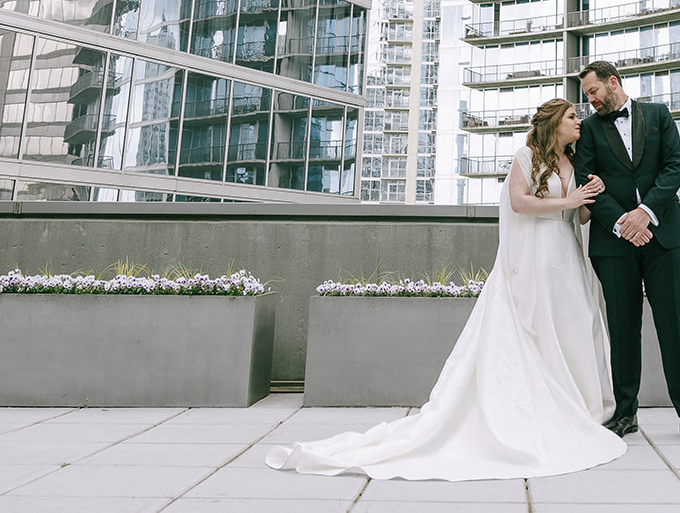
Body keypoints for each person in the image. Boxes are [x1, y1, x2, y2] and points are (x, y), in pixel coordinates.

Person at [266, 99, 627, 480]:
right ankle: (537, 409)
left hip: (565, 255)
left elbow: (579, 214)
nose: (579, 122)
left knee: (573, 327)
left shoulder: (573, 162)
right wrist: (567, 200)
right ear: (554, 123)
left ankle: (573, 405)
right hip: (535, 254)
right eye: (573, 117)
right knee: (537, 328)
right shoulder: (526, 156)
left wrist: (589, 195)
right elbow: (519, 204)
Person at [574, 60, 680, 444]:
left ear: (612, 82)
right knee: (622, 326)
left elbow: (674, 167)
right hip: (613, 244)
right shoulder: (587, 130)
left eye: (593, 91)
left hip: (664, 236)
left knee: (674, 324)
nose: (590, 101)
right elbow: (585, 183)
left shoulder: (658, 114)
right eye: (586, 96)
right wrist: (622, 223)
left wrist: (644, 214)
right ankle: (625, 414)